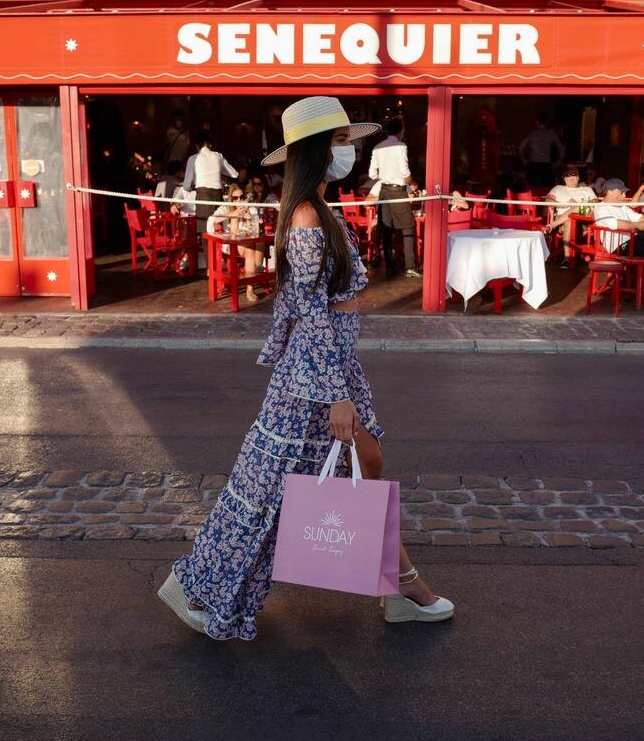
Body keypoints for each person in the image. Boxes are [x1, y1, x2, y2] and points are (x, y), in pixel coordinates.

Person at [158, 96, 453, 641]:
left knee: (354, 472)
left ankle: (404, 588)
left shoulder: (317, 209)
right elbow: (311, 309)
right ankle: (196, 580)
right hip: (317, 380)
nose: (350, 150)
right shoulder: (306, 216)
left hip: (326, 370)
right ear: (319, 151)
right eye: (341, 142)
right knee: (272, 492)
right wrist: (338, 393)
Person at [367, 118, 420, 277]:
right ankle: (410, 267)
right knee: (408, 227)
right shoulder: (400, 146)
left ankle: (390, 267)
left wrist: (385, 175)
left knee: (386, 229)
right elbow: (405, 172)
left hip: (384, 190)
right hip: (397, 190)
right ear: (401, 131)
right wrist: (413, 183)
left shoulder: (377, 148)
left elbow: (372, 174)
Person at [207, 185, 267, 303]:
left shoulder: (250, 208)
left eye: (241, 197)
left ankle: (251, 285)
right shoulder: (226, 207)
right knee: (251, 248)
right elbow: (211, 220)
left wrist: (250, 218)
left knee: (252, 247)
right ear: (231, 199)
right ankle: (251, 284)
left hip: (249, 243)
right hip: (231, 245)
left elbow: (257, 230)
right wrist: (232, 214)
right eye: (235, 198)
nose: (239, 200)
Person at [592, 178, 644, 259]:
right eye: (622, 193)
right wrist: (639, 225)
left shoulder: (622, 206)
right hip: (619, 247)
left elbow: (638, 217)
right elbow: (615, 224)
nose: (624, 196)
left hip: (633, 240)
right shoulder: (601, 208)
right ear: (610, 192)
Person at [182, 131, 237, 234]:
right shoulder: (218, 156)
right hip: (218, 196)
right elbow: (234, 174)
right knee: (221, 231)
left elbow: (186, 186)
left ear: (197, 145)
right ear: (209, 144)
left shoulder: (193, 158)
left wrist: (194, 186)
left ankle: (208, 251)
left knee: (206, 232)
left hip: (203, 197)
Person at [543, 165, 597, 267]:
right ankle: (567, 259)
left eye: (574, 174)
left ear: (578, 177)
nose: (571, 177)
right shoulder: (558, 188)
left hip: (582, 221)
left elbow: (595, 201)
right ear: (564, 178)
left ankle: (551, 226)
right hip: (562, 222)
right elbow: (548, 199)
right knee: (569, 220)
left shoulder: (586, 189)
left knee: (576, 208)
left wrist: (580, 205)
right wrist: (564, 204)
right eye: (568, 175)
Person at [519, 114, 563, 187]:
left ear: (537, 122)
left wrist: (524, 160)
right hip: (546, 165)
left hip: (533, 165)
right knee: (547, 190)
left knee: (532, 189)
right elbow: (561, 148)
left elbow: (521, 147)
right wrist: (558, 162)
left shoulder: (532, 133)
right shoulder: (551, 133)